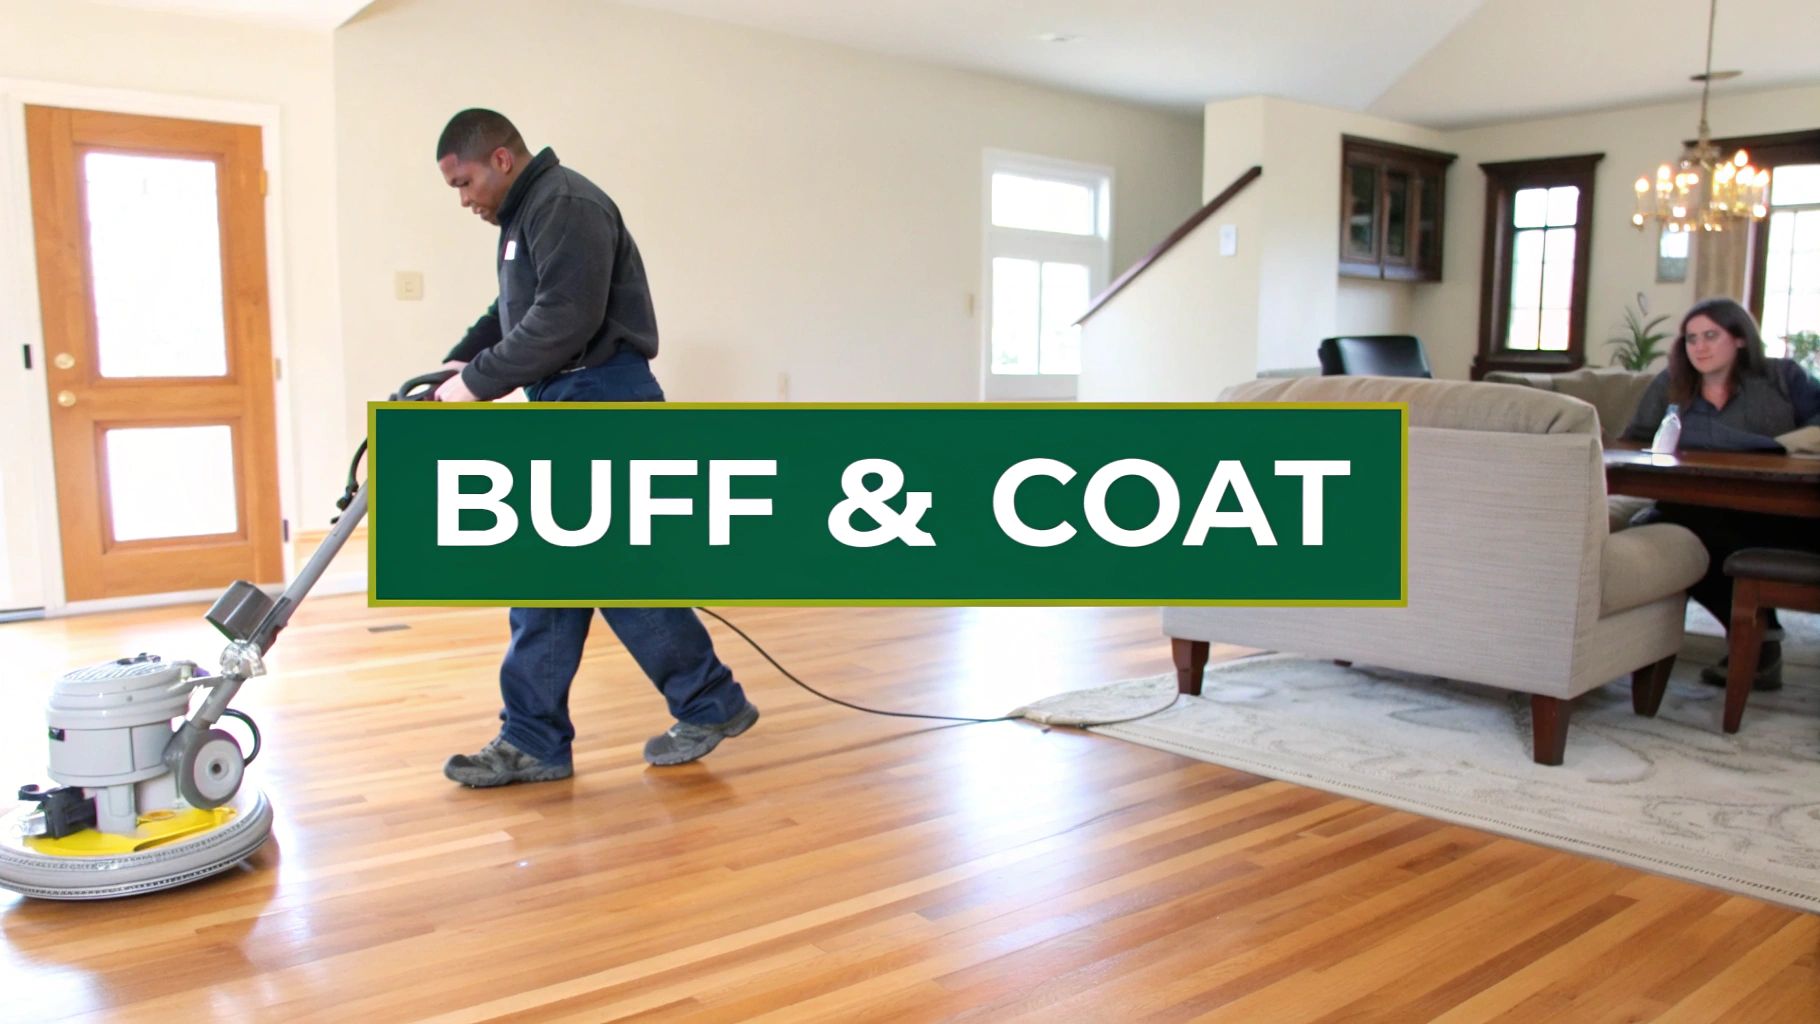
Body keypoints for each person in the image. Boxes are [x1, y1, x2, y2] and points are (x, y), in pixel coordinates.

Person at [430, 109, 758, 785]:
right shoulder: (527, 217)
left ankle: (701, 700)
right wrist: (454, 365)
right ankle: (541, 736)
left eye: (464, 183)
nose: (463, 201)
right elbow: (511, 314)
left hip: (601, 399)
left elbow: (564, 319)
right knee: (555, 578)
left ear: (499, 159)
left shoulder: (565, 204)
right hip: (571, 400)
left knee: (603, 572)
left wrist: (478, 386)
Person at [1622, 296, 1820, 692]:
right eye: (1692, 338)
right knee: (1667, 527)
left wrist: (1785, 445)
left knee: (1673, 522)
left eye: (1711, 335)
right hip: (1702, 507)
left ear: (1740, 339)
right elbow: (1635, 440)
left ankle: (1759, 641)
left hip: (1783, 513)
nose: (1700, 347)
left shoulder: (1782, 377)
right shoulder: (1672, 383)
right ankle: (1758, 639)